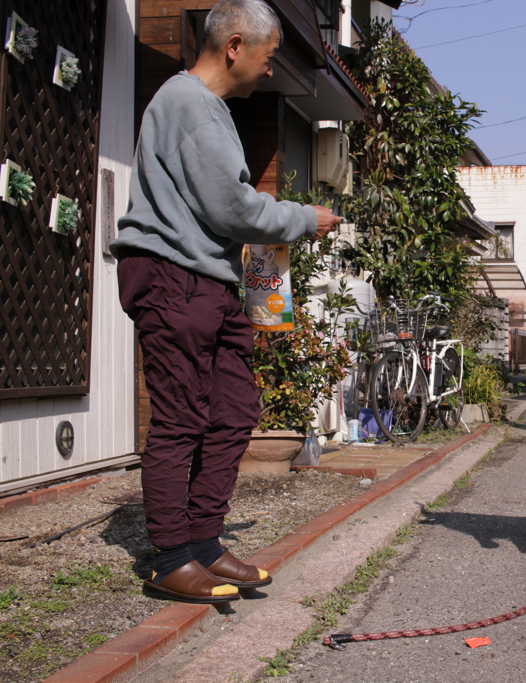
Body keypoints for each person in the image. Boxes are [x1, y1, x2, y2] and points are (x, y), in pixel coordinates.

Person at [110, 0, 340, 604]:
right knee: (181, 416)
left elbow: (223, 208)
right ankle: (170, 558)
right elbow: (232, 208)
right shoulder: (188, 104)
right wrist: (302, 218)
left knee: (235, 408)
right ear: (235, 45)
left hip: (207, 280)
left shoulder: (204, 110)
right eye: (268, 58)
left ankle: (205, 543)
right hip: (172, 276)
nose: (270, 71)